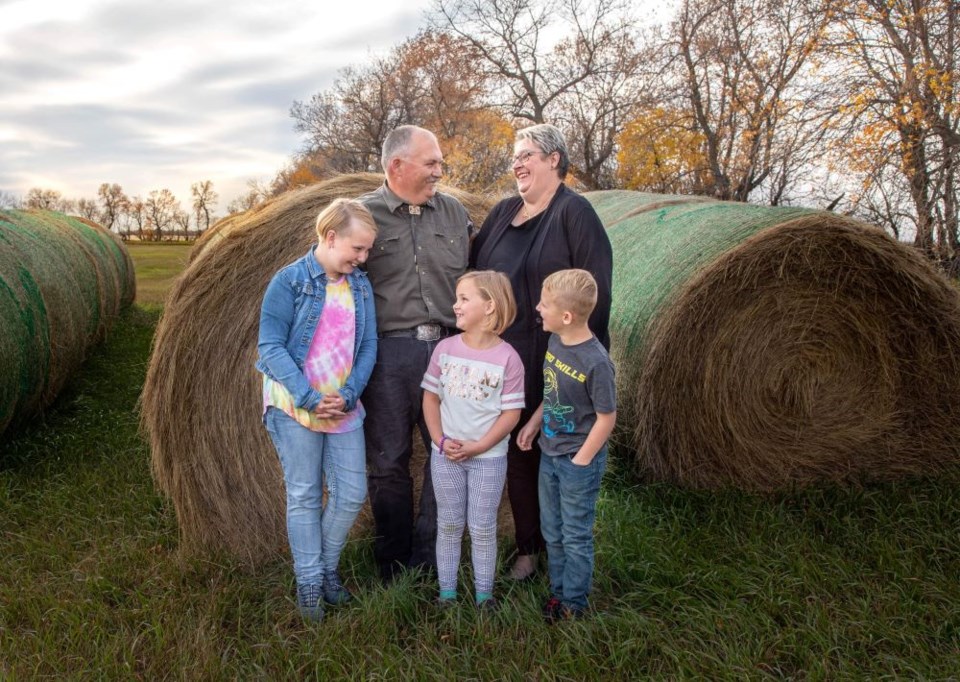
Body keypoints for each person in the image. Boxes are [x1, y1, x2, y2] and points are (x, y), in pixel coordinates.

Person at [469, 123, 612, 581]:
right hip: (499, 355)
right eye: (515, 156)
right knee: (512, 447)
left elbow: (597, 294)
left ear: (555, 160)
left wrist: (580, 362)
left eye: (528, 154)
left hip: (553, 357)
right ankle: (526, 544)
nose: (518, 163)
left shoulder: (574, 213)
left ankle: (560, 552)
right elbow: (474, 275)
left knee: (546, 450)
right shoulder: (503, 211)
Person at [358, 125, 475, 583]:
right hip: (388, 355)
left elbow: (478, 277)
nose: (439, 172)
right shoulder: (363, 216)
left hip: (448, 351)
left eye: (440, 163)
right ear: (396, 166)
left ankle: (429, 560)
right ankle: (392, 564)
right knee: (388, 462)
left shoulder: (454, 213)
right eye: (431, 163)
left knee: (445, 456)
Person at [255, 198, 378, 622]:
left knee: (351, 493)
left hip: (344, 405)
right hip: (294, 406)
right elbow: (269, 346)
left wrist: (350, 391)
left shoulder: (359, 285)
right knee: (305, 494)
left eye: (367, 251)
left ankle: (325, 570)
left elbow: (368, 345)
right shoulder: (288, 281)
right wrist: (308, 396)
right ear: (330, 237)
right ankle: (310, 583)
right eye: (357, 249)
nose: (363, 259)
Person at [421, 271, 525, 610]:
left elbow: (510, 415)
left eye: (464, 299)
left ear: (490, 306)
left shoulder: (508, 358)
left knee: (482, 527)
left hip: (488, 458)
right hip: (446, 455)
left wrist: (480, 446)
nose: (456, 305)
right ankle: (447, 594)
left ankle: (485, 596)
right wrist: (439, 439)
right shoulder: (445, 349)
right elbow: (430, 398)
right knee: (449, 524)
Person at [517, 269, 616, 622]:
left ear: (567, 316)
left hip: (577, 461)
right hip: (550, 451)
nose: (538, 308)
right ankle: (558, 592)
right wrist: (533, 422)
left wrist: (581, 461)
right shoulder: (556, 342)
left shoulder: (596, 362)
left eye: (545, 304)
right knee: (552, 529)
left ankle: (574, 602)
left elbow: (606, 418)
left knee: (575, 533)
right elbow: (552, 392)